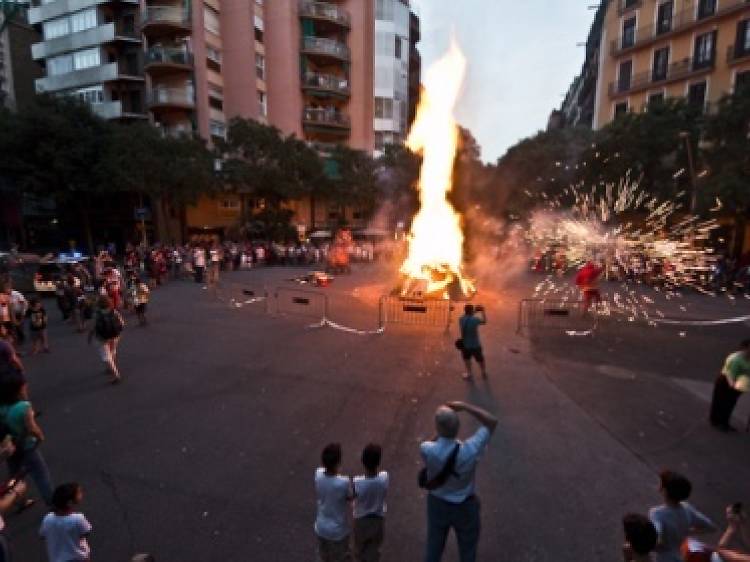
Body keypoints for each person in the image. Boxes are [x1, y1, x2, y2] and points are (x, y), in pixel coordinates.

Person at [420, 401, 498, 562]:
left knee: (433, 548)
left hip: (437, 503)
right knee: (468, 550)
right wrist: (464, 406)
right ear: (458, 429)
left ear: (438, 429)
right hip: (464, 505)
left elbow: (432, 442)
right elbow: (492, 421)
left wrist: (439, 431)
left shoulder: (427, 449)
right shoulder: (470, 449)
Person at [0, 378, 53, 506]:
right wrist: (40, 437)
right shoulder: (24, 407)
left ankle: (18, 500)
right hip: (26, 445)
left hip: (9, 445)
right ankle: (52, 504)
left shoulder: (2, 407)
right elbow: (32, 428)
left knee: (15, 474)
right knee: (41, 475)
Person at [648, 470, 716, 562]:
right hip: (681, 556)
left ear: (665, 490)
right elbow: (711, 527)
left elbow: (655, 540)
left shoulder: (657, 514)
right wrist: (687, 531)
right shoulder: (687, 508)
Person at [315, 443, 353, 562]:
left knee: (323, 557)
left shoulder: (318, 474)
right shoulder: (343, 482)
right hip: (337, 531)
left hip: (321, 527)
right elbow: (350, 497)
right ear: (339, 462)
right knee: (341, 557)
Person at [353, 444, 388, 562]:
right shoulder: (384, 478)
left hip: (361, 519)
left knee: (359, 549)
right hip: (378, 519)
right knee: (374, 549)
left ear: (362, 461)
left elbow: (353, 496)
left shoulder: (357, 482)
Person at [39, 483, 92, 562]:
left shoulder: (48, 518)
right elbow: (86, 532)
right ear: (69, 502)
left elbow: (42, 535)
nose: (81, 494)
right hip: (77, 557)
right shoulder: (78, 518)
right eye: (79, 493)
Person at [710, 340, 750, 432]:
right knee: (724, 402)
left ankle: (720, 421)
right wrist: (734, 388)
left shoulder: (747, 358)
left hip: (739, 382)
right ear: (745, 348)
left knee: (728, 403)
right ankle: (720, 422)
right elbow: (731, 376)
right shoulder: (736, 360)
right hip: (726, 381)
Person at [88, 296, 124, 384]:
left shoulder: (97, 314)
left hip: (102, 337)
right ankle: (111, 366)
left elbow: (92, 327)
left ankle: (116, 374)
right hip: (115, 336)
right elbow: (122, 323)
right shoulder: (113, 311)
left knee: (106, 356)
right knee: (113, 350)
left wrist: (89, 337)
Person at [458, 305, 487, 380]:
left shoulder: (461, 319)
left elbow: (467, 316)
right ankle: (483, 372)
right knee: (480, 359)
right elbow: (484, 321)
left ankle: (469, 373)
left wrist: (474, 311)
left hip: (466, 345)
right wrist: (482, 311)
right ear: (472, 311)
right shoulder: (475, 320)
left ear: (465, 311)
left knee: (467, 359)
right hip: (475, 344)